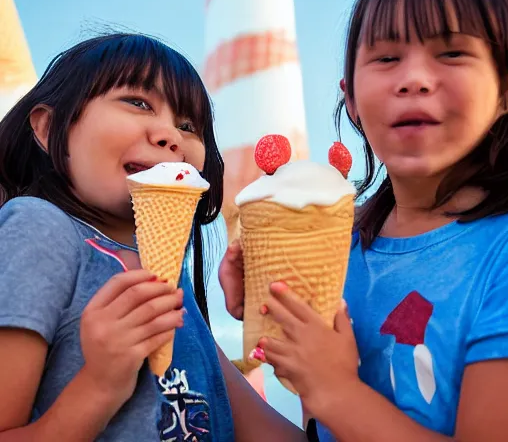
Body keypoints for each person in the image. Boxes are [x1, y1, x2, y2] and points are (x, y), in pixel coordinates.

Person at [220, 0, 508, 441]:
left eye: (452, 53)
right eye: (387, 57)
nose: (414, 78)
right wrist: (207, 318)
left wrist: (333, 387)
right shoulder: (339, 250)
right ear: (350, 96)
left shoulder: (501, 252)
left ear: (506, 89)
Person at [0, 33, 305, 441]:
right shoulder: (41, 228)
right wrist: (99, 386)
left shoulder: (172, 282)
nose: (171, 136)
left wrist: (304, 344)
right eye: (138, 102)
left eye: (188, 125)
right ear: (48, 126)